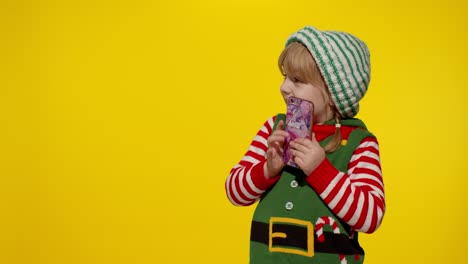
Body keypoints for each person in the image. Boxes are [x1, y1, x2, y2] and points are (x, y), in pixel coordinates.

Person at [225, 26, 385, 264]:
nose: (284, 87)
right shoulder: (274, 128)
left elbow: (371, 216)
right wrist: (268, 169)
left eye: (297, 80)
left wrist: (321, 171)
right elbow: (234, 191)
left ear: (333, 93)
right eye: (285, 77)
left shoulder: (358, 142)